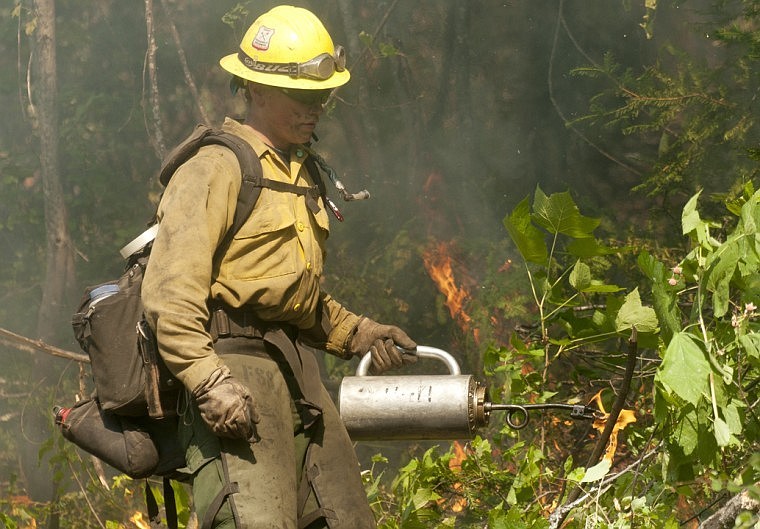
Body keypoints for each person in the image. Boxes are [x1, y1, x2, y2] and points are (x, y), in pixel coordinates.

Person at [141, 5, 417, 528]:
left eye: (323, 97)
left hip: (298, 378)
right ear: (256, 90)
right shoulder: (216, 167)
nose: (316, 108)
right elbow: (169, 296)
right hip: (231, 370)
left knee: (347, 521)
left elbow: (290, 296)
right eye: (303, 96)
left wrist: (357, 332)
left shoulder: (301, 171)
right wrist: (207, 382)